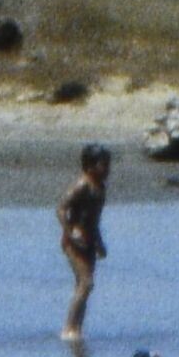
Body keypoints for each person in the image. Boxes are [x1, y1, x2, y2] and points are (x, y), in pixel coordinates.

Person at [57, 143, 111, 341]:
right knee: (86, 283)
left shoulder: (101, 188)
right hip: (75, 241)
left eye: (108, 165)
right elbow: (61, 208)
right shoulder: (82, 185)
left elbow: (94, 219)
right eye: (103, 165)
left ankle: (77, 328)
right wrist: (69, 232)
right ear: (89, 166)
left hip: (90, 240)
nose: (107, 169)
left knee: (83, 285)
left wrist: (99, 242)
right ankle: (68, 329)